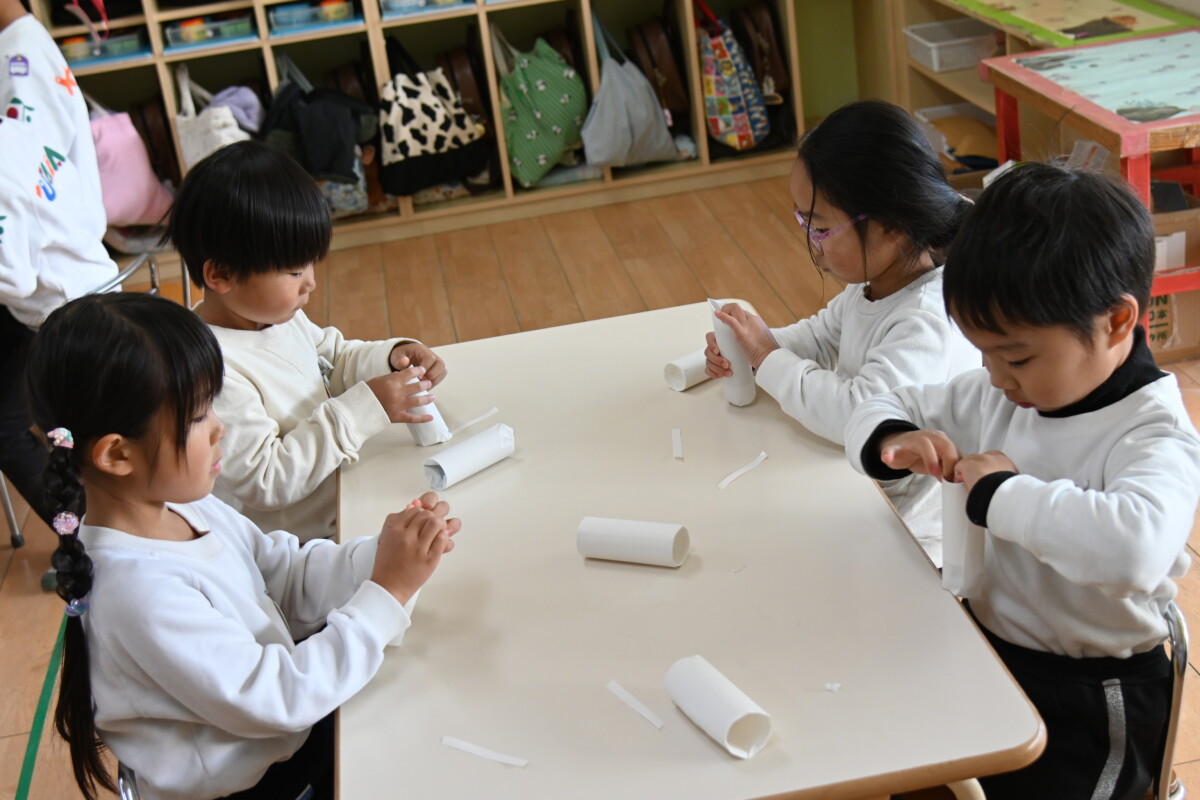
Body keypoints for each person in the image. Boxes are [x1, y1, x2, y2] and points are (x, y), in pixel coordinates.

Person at [845, 163, 1200, 800]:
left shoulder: (1153, 432)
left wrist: (999, 494)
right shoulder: (999, 393)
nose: (995, 376)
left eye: (1016, 356)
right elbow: (879, 401)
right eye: (983, 353)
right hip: (992, 649)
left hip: (1097, 689)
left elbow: (1135, 549)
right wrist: (890, 437)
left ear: (1117, 322)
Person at [27, 291, 458, 800]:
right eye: (197, 416)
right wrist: (387, 592)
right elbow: (277, 698)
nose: (220, 427)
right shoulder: (138, 593)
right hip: (259, 783)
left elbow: (283, 574)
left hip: (285, 735)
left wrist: (379, 556)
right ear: (118, 455)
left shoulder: (183, 505)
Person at [704, 99, 978, 565]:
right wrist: (753, 343)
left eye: (821, 228)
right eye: (804, 222)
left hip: (913, 538)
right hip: (864, 493)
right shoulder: (878, 280)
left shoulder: (925, 320)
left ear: (891, 227)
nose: (812, 242)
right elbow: (821, 336)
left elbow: (857, 412)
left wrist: (767, 358)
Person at [164, 140, 446, 542]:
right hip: (302, 549)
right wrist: (363, 410)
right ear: (221, 275)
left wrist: (391, 358)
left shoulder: (274, 316)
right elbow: (267, 479)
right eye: (295, 271)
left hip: (347, 498)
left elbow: (333, 359)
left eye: (311, 264)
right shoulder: (211, 370)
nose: (311, 282)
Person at [0, 0, 116, 531]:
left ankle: (88, 539)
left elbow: (14, 276)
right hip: (90, 277)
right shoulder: (29, 59)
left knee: (11, 429)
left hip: (60, 315)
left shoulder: (19, 69)